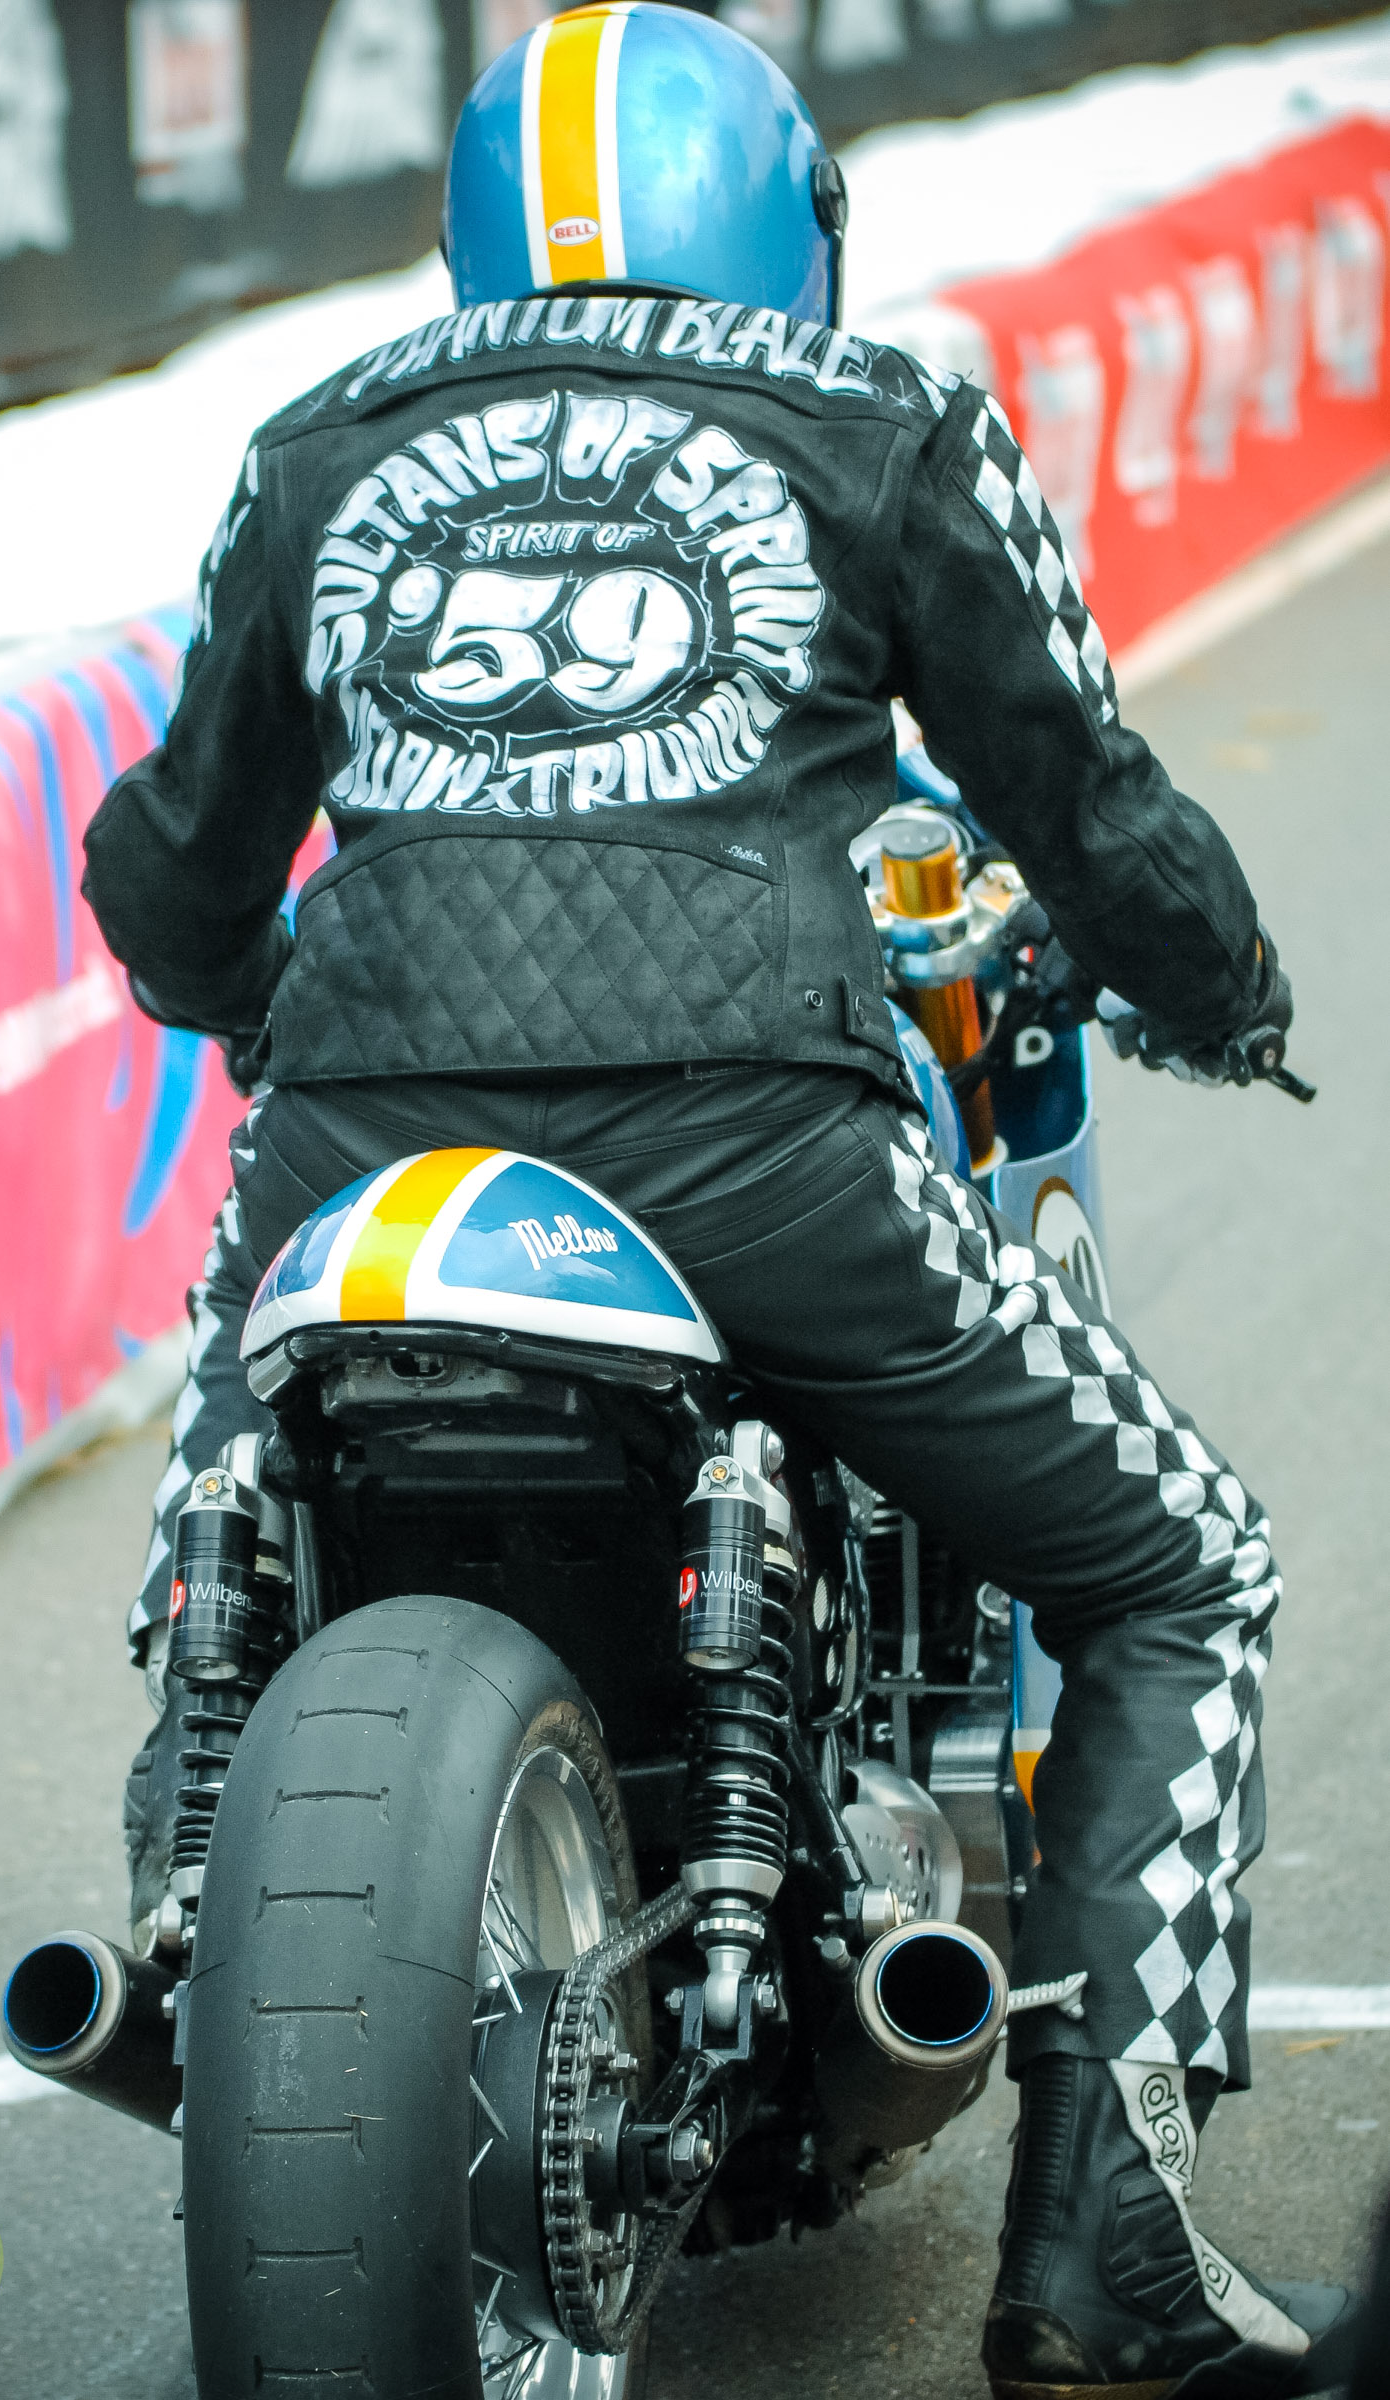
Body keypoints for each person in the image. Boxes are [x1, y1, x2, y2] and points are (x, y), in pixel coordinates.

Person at [81, 8, 1349, 2392]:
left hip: (358, 1138)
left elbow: (167, 869)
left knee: (221, 1534)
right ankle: (1108, 2255)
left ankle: (175, 1932)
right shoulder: (881, 417)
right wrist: (1219, 990)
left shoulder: (321, 439)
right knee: (1180, 1560)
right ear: (791, 228)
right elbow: (1076, 799)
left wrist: (275, 1017)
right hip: (759, 1130)